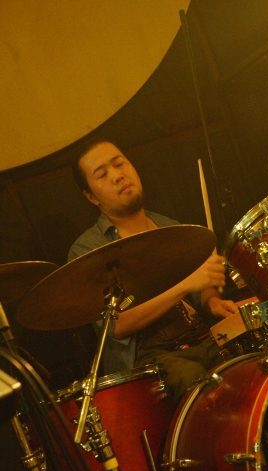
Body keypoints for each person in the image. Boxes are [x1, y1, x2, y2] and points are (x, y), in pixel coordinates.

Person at [68, 138, 238, 405]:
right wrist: (185, 285)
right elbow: (117, 325)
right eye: (102, 174)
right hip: (151, 360)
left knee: (250, 360)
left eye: (119, 163)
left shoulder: (169, 226)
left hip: (203, 338)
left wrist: (212, 301)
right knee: (196, 382)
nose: (117, 175)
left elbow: (201, 285)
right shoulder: (89, 249)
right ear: (91, 196)